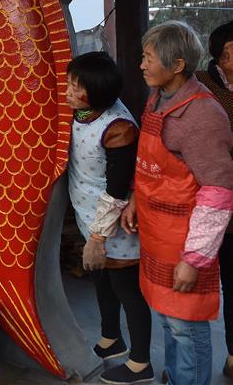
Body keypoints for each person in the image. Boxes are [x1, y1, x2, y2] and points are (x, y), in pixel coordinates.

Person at [122, 20, 233, 385]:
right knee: (169, 319)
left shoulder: (204, 115)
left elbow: (218, 193)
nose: (142, 64)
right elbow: (150, 164)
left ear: (178, 65)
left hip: (185, 241)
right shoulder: (159, 98)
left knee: (187, 325)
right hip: (158, 235)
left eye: (149, 57)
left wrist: (194, 259)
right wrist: (136, 199)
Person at [66, 52, 152, 384]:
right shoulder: (83, 111)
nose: (68, 91)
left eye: (77, 86)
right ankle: (110, 337)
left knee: (127, 290)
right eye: (70, 82)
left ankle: (141, 361)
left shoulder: (117, 127)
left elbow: (117, 191)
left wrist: (99, 238)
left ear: (98, 92)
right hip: (89, 216)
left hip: (114, 225)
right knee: (101, 279)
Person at [195, 20, 233, 378]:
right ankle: (191, 362)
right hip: (207, 202)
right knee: (205, 282)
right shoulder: (202, 88)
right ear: (220, 55)